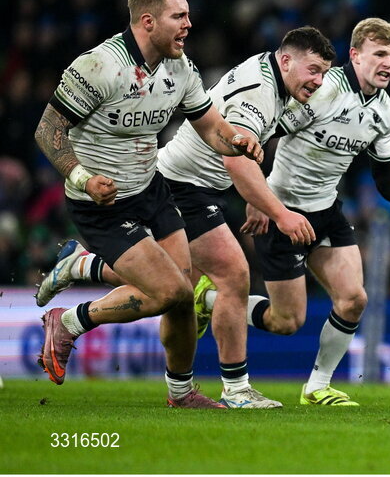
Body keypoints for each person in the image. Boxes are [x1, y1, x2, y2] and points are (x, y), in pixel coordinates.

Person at [38, 26, 336, 409]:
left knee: (173, 287)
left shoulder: (275, 82)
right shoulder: (260, 93)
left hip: (191, 184)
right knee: (231, 275)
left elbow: (239, 147)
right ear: (286, 60)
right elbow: (235, 158)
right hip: (185, 185)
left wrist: (258, 198)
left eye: (325, 73)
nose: (318, 80)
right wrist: (280, 213)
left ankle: (84, 268)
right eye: (313, 69)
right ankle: (237, 389)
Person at [33, 0, 264, 408]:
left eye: (188, 16)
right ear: (147, 21)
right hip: (100, 202)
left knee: (182, 292)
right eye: (179, 16)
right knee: (170, 292)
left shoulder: (180, 69)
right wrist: (83, 178)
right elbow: (48, 130)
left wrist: (237, 141)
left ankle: (181, 394)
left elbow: (211, 126)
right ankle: (68, 322)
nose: (188, 25)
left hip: (151, 189)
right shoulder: (99, 67)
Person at [207, 18, 390, 406]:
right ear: (355, 55)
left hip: (327, 211)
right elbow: (265, 135)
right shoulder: (322, 90)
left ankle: (317, 386)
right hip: (280, 210)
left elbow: (383, 170)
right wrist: (257, 197)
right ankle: (210, 301)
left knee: (354, 299)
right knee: (287, 322)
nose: (387, 62)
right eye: (379, 54)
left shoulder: (384, 112)